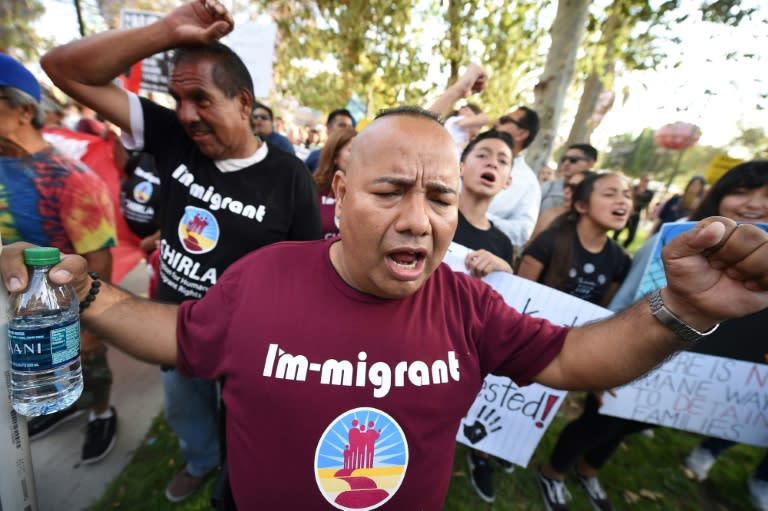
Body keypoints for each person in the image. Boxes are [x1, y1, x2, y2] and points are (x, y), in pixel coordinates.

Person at [5, 103, 768, 509]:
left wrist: (677, 306)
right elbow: (179, 334)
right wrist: (91, 292)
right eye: (390, 190)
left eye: (439, 196)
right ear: (338, 193)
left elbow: (573, 358)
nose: (420, 218)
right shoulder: (264, 277)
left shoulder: (471, 306)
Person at [41, 7, 323, 502]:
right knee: (185, 406)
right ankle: (200, 460)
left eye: (201, 99)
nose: (187, 113)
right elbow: (62, 67)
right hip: (171, 324)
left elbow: (307, 273)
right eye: (177, 98)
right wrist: (165, 31)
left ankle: (235, 471)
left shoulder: (289, 177)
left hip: (249, 338)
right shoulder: (171, 134)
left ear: (243, 102)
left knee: (245, 421)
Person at [542, 161, 768, 511]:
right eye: (741, 191)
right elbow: (624, 298)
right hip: (628, 363)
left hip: (685, 385)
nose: (754, 204)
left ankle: (588, 471)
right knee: (598, 424)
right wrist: (604, 358)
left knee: (626, 427)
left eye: (766, 195)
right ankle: (553, 473)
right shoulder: (679, 239)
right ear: (719, 195)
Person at [0, 53, 119, 464]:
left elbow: (98, 262)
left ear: (23, 110)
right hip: (10, 315)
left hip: (61, 308)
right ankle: (60, 407)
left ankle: (101, 412)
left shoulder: (73, 181)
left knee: (89, 368)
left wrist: (87, 325)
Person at [451, 129, 515, 503]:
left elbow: (507, 302)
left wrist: (505, 270)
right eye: (483, 154)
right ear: (461, 166)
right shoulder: (431, 209)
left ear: (506, 182)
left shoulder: (503, 243)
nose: (492, 162)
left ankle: (479, 451)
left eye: (502, 160)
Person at [518, 172, 632, 307]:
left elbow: (602, 311)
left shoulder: (621, 259)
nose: (622, 201)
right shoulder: (547, 242)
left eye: (627, 195)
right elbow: (519, 295)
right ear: (581, 206)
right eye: (609, 194)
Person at [488, 107, 542, 247]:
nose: (496, 123)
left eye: (505, 120)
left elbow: (522, 232)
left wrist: (482, 220)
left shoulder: (529, 182)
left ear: (522, 133)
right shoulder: (463, 155)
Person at [313, 126, 356, 238]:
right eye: (352, 150)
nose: (360, 156)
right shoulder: (313, 189)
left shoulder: (371, 191)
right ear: (334, 156)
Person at [529, 170, 593, 244]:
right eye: (566, 185)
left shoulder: (592, 228)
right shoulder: (549, 214)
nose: (566, 190)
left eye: (574, 187)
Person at [540, 143, 598, 210]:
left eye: (573, 159)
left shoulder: (598, 192)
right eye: (564, 159)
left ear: (590, 163)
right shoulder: (549, 186)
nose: (566, 163)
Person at [613, 172, 654, 248]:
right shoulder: (633, 188)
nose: (646, 182)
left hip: (636, 215)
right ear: (641, 179)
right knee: (617, 232)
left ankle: (622, 248)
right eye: (645, 180)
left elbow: (647, 205)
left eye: (648, 181)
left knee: (631, 236)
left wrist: (647, 216)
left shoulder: (649, 193)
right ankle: (613, 247)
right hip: (626, 213)